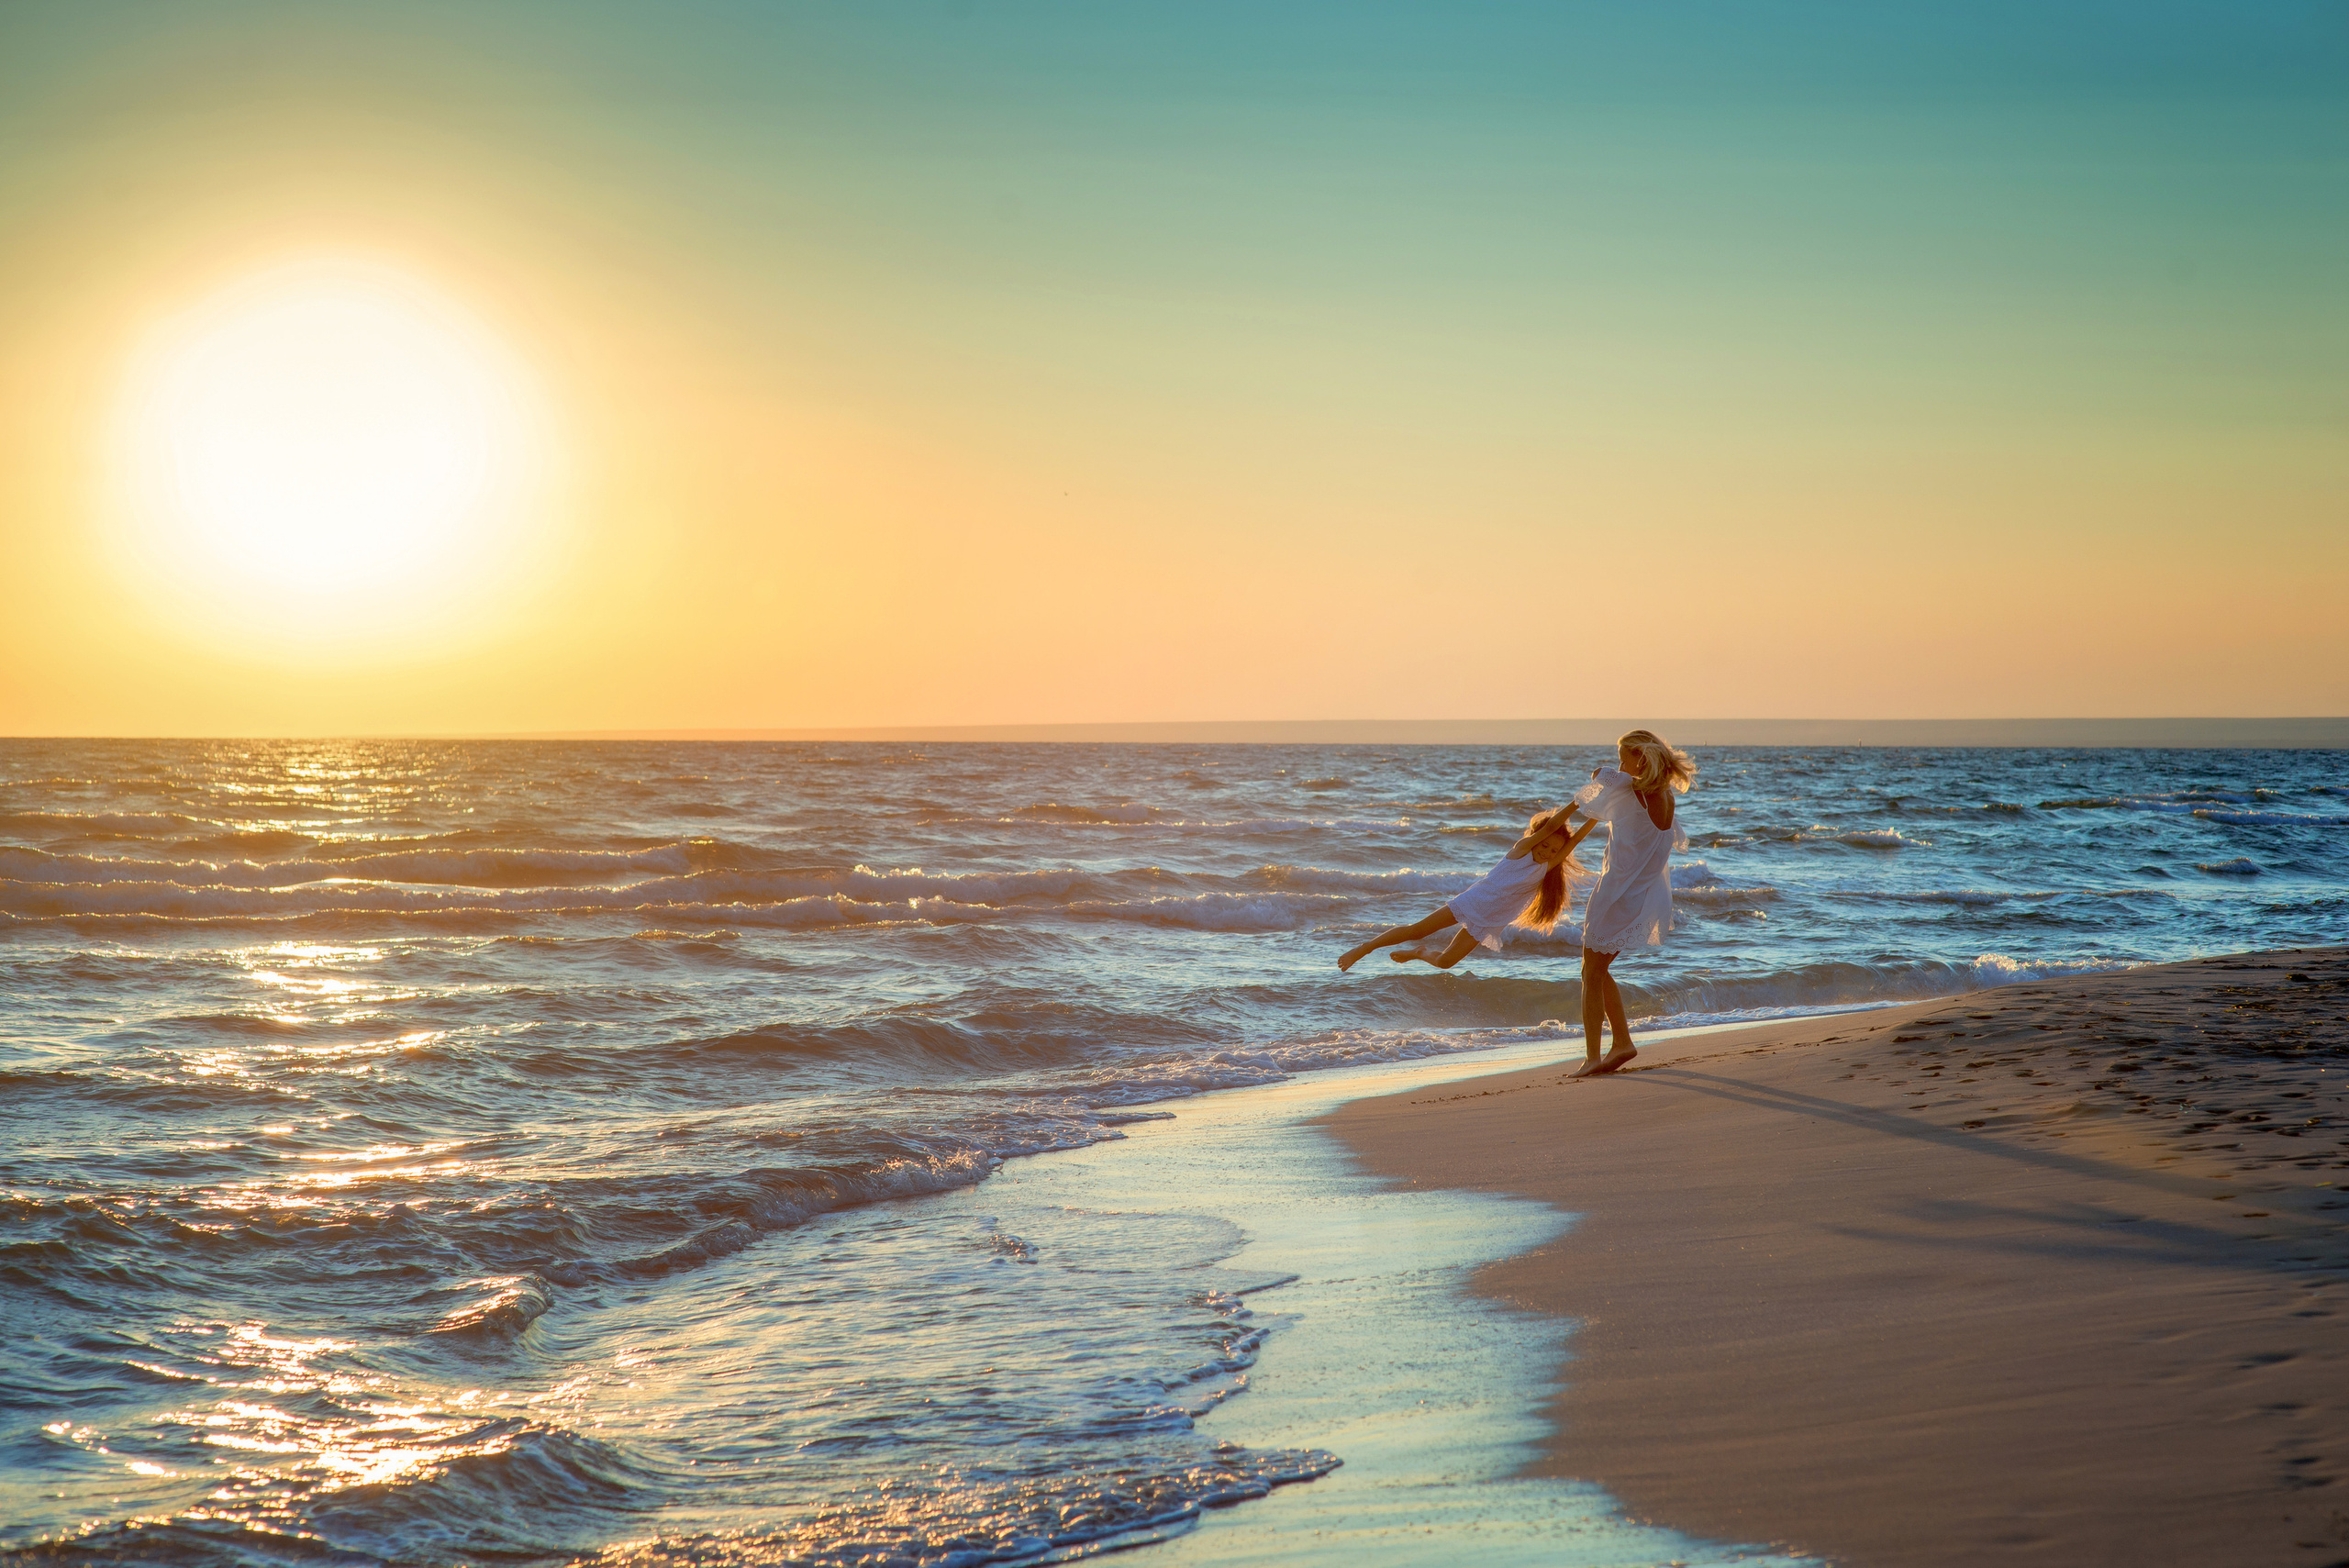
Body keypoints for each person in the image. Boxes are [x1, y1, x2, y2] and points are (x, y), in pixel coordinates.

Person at [1559, 728, 1696, 1077]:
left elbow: (1597, 777)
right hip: (1640, 895)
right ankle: (1621, 1042)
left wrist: (1616, 771)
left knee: (1590, 972)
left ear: (1642, 758)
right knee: (1598, 970)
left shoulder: (1632, 789)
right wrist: (1624, 769)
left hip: (1616, 894)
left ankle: (1593, 1057)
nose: (1620, 764)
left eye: (1625, 757)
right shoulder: (1665, 796)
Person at [1337, 808, 1597, 973]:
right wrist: (1576, 804)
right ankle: (1364, 948)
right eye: (1545, 845)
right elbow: (1551, 828)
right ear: (1536, 838)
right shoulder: (1519, 852)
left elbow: (1575, 840)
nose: (1547, 852)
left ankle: (1420, 954)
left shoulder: (1547, 867)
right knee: (1416, 930)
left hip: (1488, 921)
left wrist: (1597, 814)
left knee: (1446, 962)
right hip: (1471, 903)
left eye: (1553, 851)